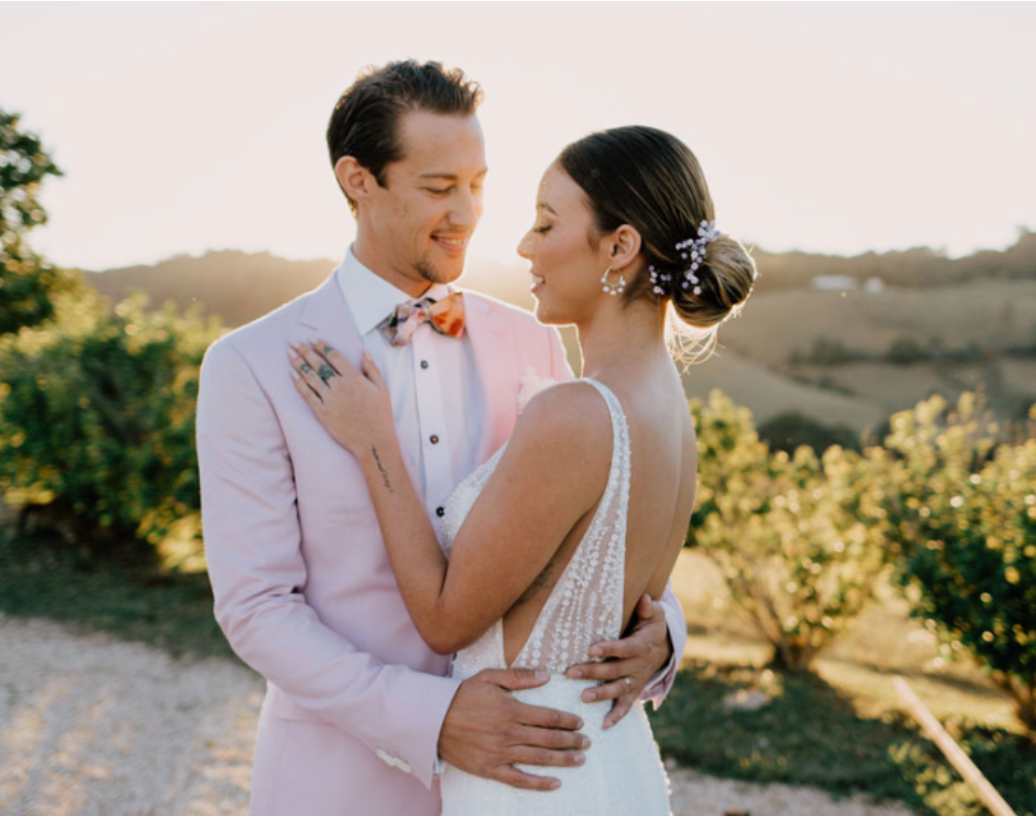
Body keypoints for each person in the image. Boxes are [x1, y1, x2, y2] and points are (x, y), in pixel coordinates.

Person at [196, 60, 685, 816]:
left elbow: (594, 522)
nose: (468, 213)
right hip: (337, 779)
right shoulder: (250, 365)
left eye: (478, 184)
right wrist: (433, 718)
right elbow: (257, 607)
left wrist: (662, 633)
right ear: (359, 180)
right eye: (437, 188)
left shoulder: (534, 341)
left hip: (523, 781)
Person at [288, 124, 757, 815]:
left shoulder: (576, 413)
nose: (522, 247)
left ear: (620, 247)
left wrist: (373, 441)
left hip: (532, 774)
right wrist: (665, 642)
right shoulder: (670, 412)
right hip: (611, 763)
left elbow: (447, 621)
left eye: (546, 224)